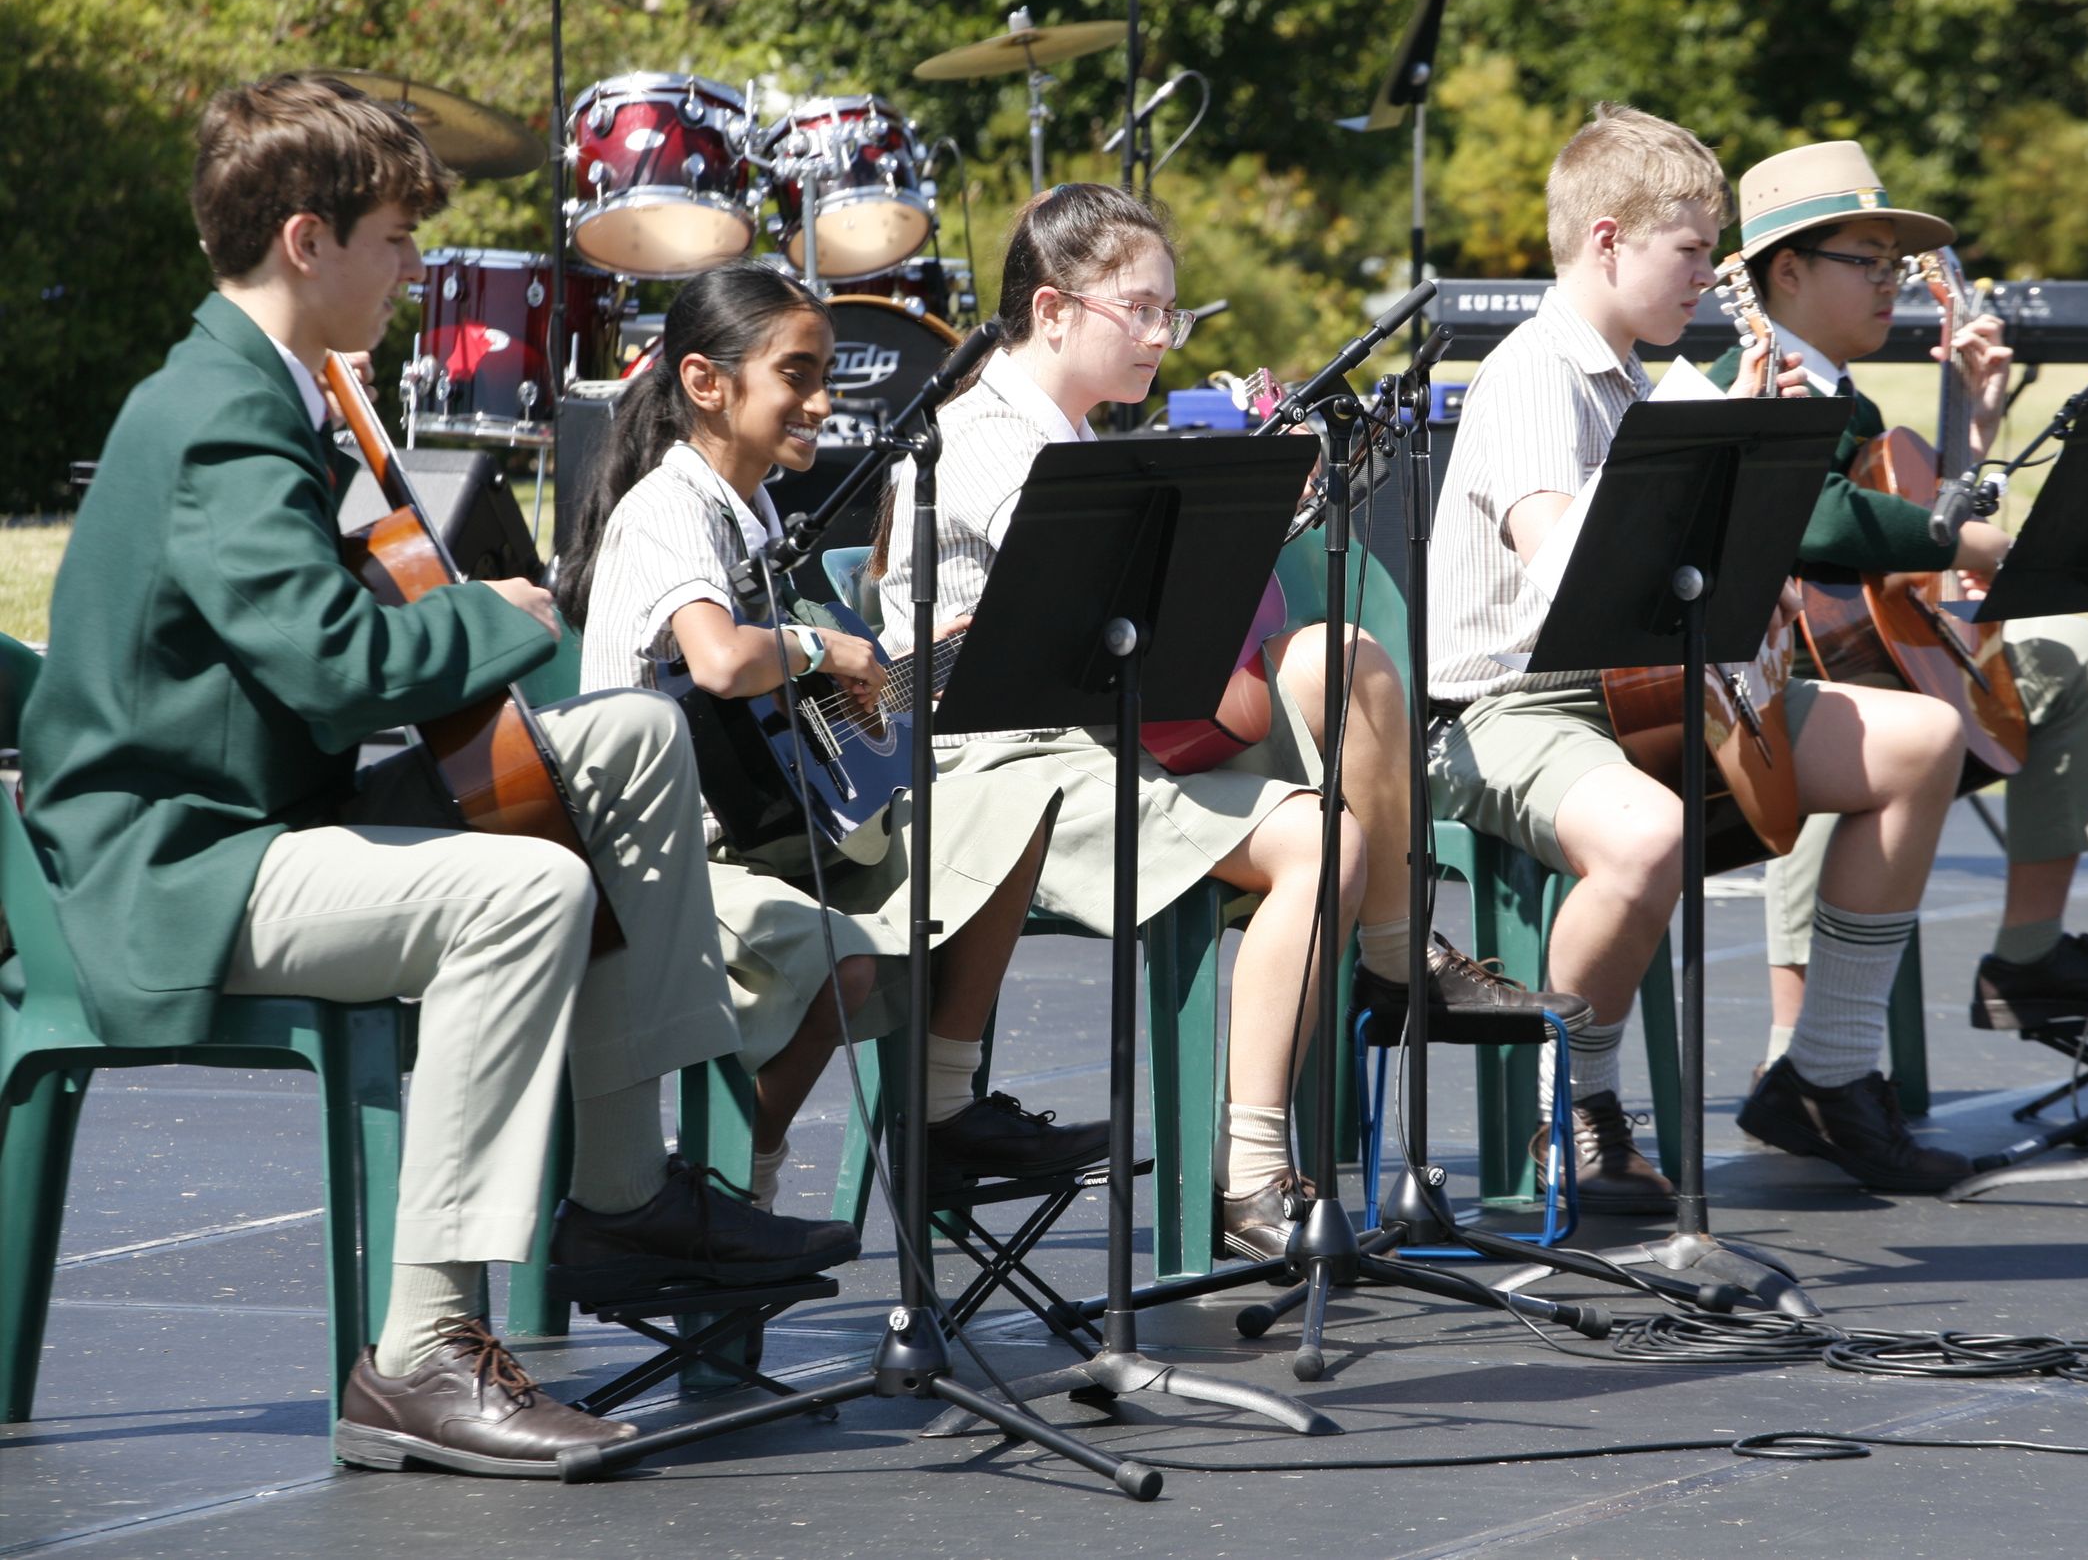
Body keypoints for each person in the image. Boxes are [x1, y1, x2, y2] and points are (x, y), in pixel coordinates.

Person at [16, 72, 861, 1479]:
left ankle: (622, 1194)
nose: (416, 268)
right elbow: (332, 665)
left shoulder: (286, 388)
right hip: (176, 863)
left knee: (632, 733)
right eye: (398, 239)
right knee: (522, 890)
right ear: (307, 241)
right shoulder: (220, 410)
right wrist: (494, 615)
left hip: (267, 814)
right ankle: (419, 1347)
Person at [874, 181, 1582, 1260]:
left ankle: (1391, 964)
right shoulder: (983, 438)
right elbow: (1096, 600)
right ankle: (1252, 1174)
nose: (1163, 335)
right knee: (1320, 840)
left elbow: (1153, 634)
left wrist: (1255, 513)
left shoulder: (1070, 430)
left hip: (1111, 732)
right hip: (1014, 761)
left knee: (1347, 662)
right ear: (1052, 311)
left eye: (1174, 313)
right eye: (1141, 310)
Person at [1427, 104, 1975, 1198]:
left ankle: (1824, 1075)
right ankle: (1576, 1110)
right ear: (1606, 240)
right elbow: (1563, 567)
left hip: (1648, 686)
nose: (1708, 278)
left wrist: (1754, 476)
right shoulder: (1536, 371)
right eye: (1688, 252)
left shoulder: (1637, 378)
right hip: (1511, 706)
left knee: (1922, 739)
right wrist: (1703, 447)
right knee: (1649, 838)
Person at [562, 260, 1109, 1206]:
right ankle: (736, 1192)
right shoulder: (668, 506)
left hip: (762, 833)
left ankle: (944, 1108)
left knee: (1015, 803)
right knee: (844, 961)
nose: (821, 402)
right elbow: (721, 662)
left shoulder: (752, 507)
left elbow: (768, 713)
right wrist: (824, 648)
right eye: (797, 375)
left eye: (825, 377)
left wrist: (898, 669)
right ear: (704, 382)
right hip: (668, 856)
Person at [1704, 141, 2088, 1073]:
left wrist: (1976, 426)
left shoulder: (1841, 393)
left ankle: (2029, 956)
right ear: (1788, 271)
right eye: (1867, 261)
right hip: (1756, 690)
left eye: (1895, 265)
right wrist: (1962, 541)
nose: (1888, 284)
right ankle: (1797, 1052)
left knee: (2083, 660)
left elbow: (1907, 533)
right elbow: (1812, 517)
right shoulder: (1759, 377)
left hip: (1861, 658)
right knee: (1866, 701)